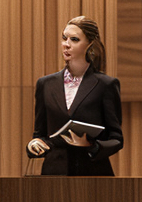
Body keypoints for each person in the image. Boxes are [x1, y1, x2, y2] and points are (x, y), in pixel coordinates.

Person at [26, 15, 123, 176]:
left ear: (89, 45)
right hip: (54, 174)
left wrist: (90, 145)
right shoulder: (45, 84)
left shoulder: (106, 84)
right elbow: (40, 134)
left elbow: (116, 139)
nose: (66, 45)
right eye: (64, 38)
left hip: (92, 173)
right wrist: (34, 144)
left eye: (74, 39)